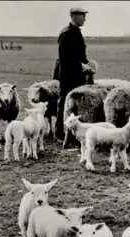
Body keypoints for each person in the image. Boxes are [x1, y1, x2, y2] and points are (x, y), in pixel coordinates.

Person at [54, 7, 94, 141]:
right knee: (64, 103)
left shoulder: (76, 32)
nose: (85, 18)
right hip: (67, 74)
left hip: (78, 74)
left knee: (76, 103)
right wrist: (81, 65)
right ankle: (59, 133)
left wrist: (88, 64)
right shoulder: (66, 33)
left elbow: (80, 55)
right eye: (82, 15)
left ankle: (72, 133)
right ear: (74, 16)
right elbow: (64, 57)